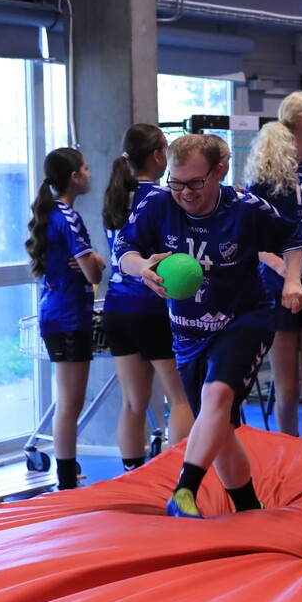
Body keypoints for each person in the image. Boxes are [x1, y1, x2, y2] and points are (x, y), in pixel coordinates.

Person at [116, 133, 302, 518]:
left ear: (218, 172)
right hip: (188, 334)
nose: (185, 193)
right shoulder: (158, 203)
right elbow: (124, 252)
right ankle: (249, 507)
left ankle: (184, 491)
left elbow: (292, 237)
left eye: (195, 183)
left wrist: (292, 280)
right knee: (220, 428)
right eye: (176, 182)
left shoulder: (245, 209)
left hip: (244, 320)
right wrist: (143, 269)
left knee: (216, 396)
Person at [243, 92, 302, 440]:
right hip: (278, 290)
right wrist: (281, 268)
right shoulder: (266, 177)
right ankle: (288, 457)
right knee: (286, 389)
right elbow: (249, 239)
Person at [101, 124, 194, 471]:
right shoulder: (160, 196)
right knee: (180, 398)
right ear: (157, 156)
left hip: (116, 306)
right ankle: (179, 480)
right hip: (151, 304)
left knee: (132, 402)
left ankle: (132, 474)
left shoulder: (115, 194)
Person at [25, 147, 104, 490]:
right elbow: (93, 272)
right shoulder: (67, 217)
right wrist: (97, 260)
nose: (89, 175)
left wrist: (91, 261)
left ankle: (67, 476)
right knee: (70, 404)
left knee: (68, 402)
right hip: (68, 316)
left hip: (61, 313)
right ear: (74, 178)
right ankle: (67, 481)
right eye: (85, 169)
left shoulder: (54, 214)